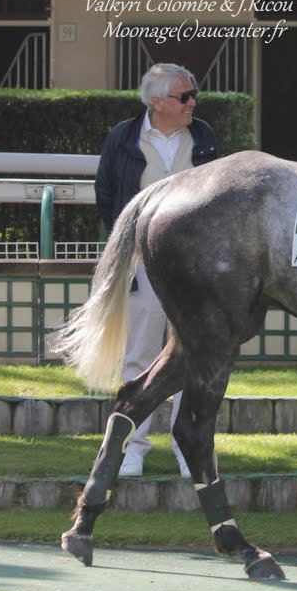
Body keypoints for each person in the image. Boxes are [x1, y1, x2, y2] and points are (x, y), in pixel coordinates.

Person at [95, 63, 218, 477]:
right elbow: (106, 193)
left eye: (194, 94)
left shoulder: (203, 135)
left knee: (193, 355)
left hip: (194, 262)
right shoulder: (123, 137)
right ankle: (132, 448)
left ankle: (187, 448)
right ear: (157, 101)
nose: (193, 103)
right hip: (142, 259)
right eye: (184, 96)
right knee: (141, 354)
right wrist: (128, 245)